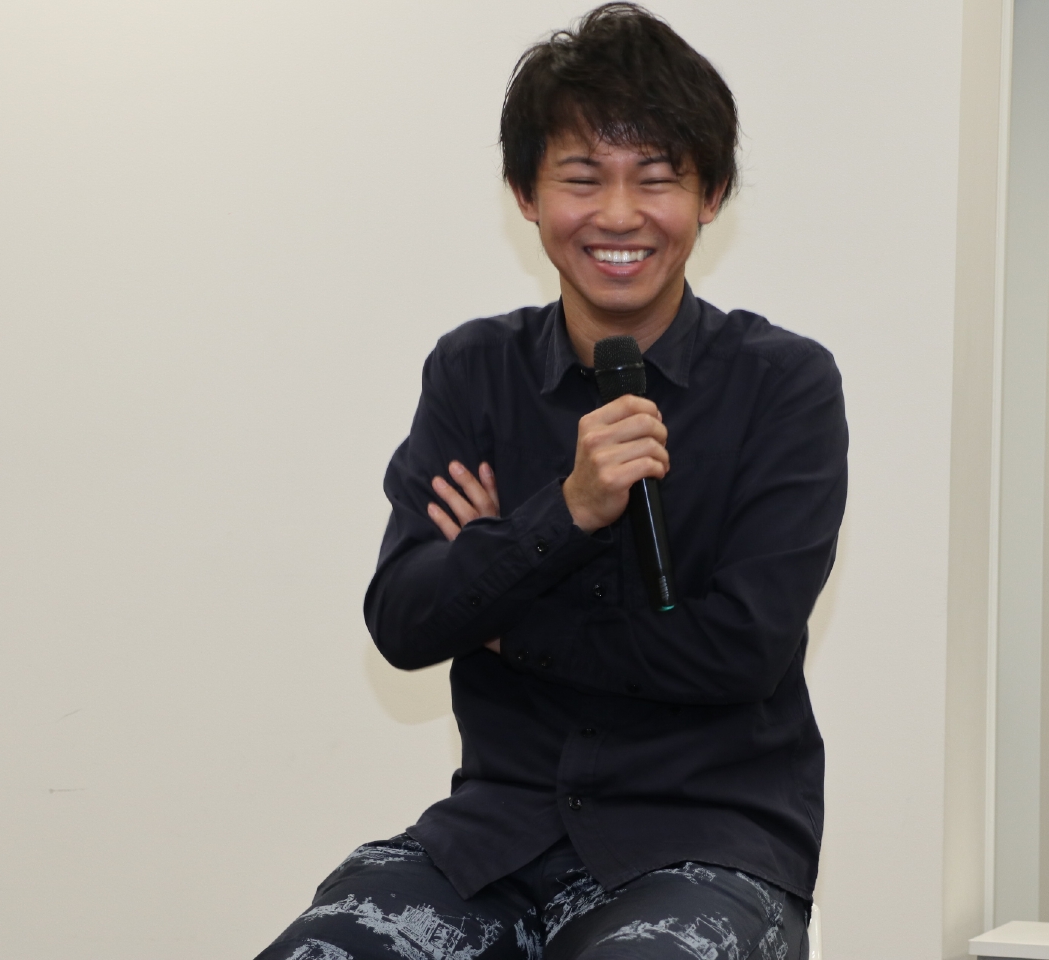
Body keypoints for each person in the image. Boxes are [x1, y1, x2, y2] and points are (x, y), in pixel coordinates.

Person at [256, 4, 847, 958]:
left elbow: (741, 652)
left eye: (655, 178)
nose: (617, 215)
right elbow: (404, 621)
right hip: (494, 842)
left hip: (705, 847)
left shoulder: (783, 384)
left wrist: (502, 613)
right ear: (525, 195)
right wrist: (564, 513)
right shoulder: (474, 372)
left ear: (711, 194)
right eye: (581, 178)